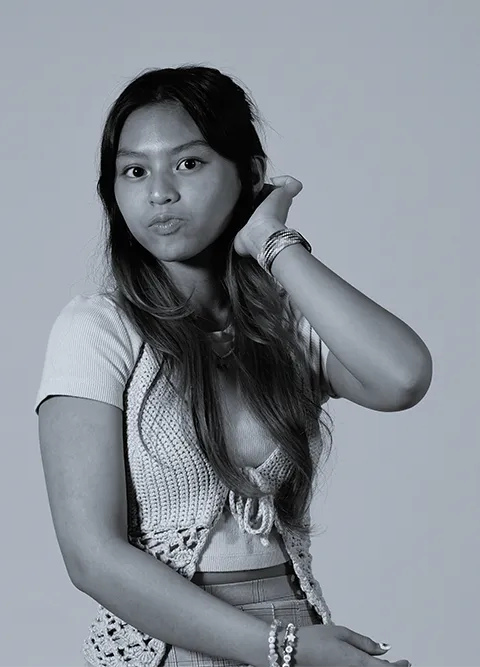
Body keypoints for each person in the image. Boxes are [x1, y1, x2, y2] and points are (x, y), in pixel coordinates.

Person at [35, 65, 430, 667]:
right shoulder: (98, 329)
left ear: (247, 173)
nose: (159, 193)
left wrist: (272, 240)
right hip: (177, 653)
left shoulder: (284, 327)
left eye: (188, 163)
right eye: (134, 171)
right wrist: (283, 650)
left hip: (302, 636)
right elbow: (92, 557)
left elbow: (403, 377)